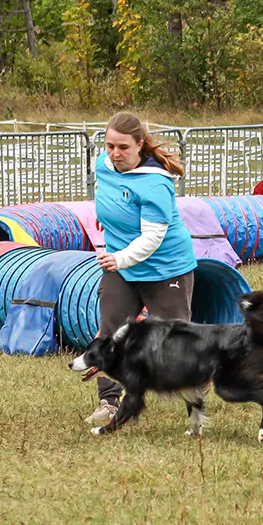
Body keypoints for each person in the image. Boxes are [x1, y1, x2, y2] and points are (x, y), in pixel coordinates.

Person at [88, 111, 199, 428]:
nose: (114, 153)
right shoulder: (103, 164)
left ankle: (195, 399)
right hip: (121, 267)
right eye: (110, 145)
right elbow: (108, 192)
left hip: (166, 269)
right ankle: (109, 403)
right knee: (109, 334)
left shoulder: (156, 183)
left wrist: (120, 258)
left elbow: (153, 236)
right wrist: (107, 217)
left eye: (123, 147)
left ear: (140, 145)